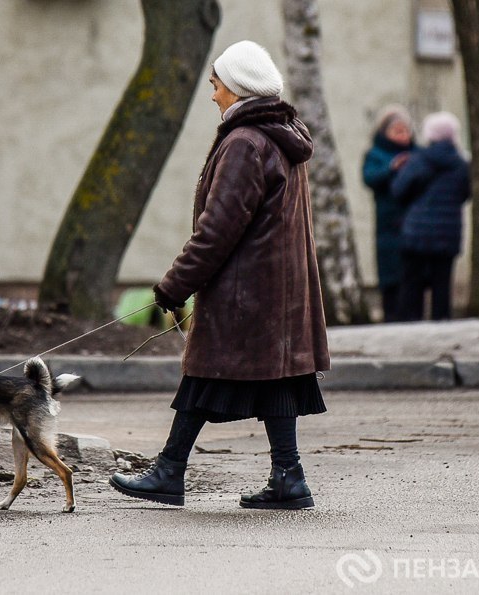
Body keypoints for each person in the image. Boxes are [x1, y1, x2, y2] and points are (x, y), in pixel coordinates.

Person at [109, 40, 330, 510]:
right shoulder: (281, 135)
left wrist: (173, 286)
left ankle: (170, 471)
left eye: (216, 85)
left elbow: (217, 231)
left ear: (237, 88)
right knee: (276, 380)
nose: (212, 95)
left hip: (244, 291)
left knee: (204, 376)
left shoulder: (245, 143)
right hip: (280, 290)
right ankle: (288, 478)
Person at [391, 111, 471, 321]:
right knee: (441, 283)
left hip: (416, 230)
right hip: (448, 231)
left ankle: (410, 323)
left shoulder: (418, 160)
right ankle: (441, 320)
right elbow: (465, 194)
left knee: (412, 282)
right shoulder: (462, 164)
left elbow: (399, 190)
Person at [361, 105, 415, 322]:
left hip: (413, 220)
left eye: (405, 130)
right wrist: (392, 168)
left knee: (411, 271)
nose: (403, 136)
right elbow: (370, 178)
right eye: (397, 131)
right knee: (389, 271)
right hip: (387, 222)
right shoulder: (376, 155)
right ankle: (390, 314)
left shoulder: (416, 153)